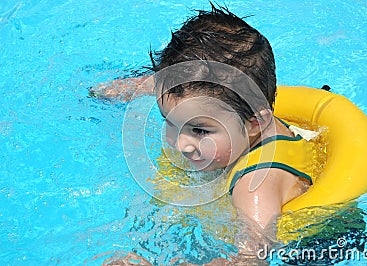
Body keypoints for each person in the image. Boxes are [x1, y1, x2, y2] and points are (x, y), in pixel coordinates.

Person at [92, 4, 319, 265]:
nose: (181, 145)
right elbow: (191, 88)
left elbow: (253, 256)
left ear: (255, 123)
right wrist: (125, 88)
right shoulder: (235, 108)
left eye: (199, 130)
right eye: (170, 122)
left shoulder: (254, 185)